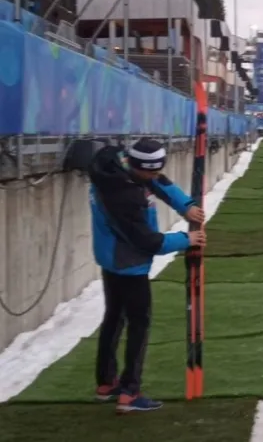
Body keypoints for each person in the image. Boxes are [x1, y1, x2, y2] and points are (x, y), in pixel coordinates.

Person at [88, 137, 206, 414]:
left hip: (111, 259)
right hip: (129, 264)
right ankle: (130, 391)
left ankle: (105, 384)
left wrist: (185, 205)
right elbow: (148, 242)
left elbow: (157, 181)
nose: (154, 176)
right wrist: (186, 239)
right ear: (137, 167)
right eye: (150, 171)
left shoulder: (117, 166)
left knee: (114, 319)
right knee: (139, 325)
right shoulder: (124, 197)